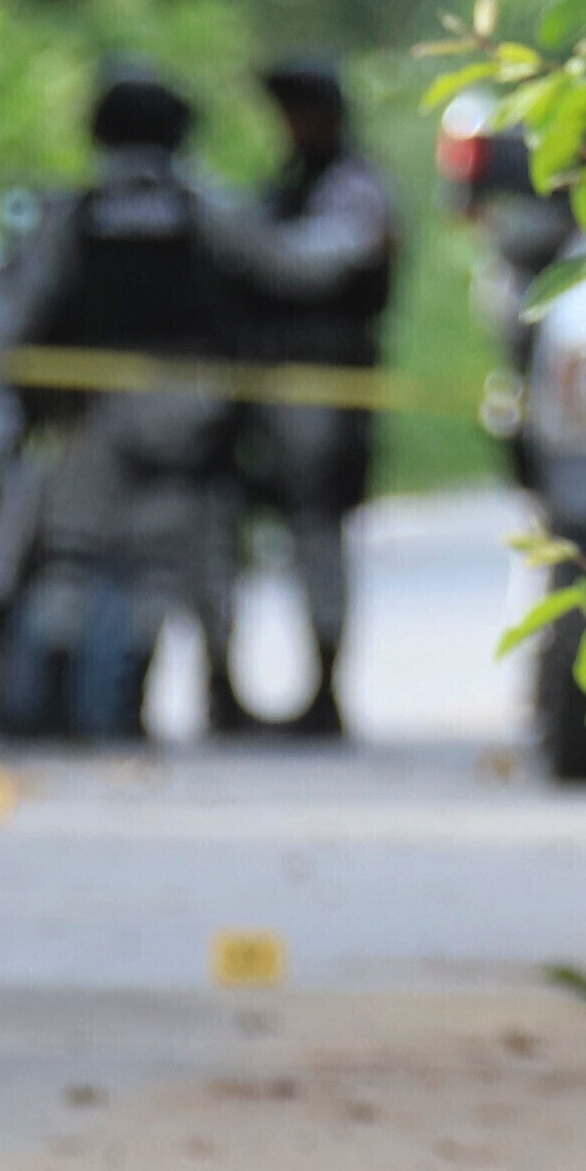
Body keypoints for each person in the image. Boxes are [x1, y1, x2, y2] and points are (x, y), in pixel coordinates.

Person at [0, 68, 235, 740]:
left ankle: (51, 706)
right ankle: (129, 706)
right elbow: (283, 266)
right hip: (185, 407)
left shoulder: (75, 209)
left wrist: (17, 391)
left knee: (72, 555)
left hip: (88, 409)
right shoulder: (200, 205)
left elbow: (18, 310)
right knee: (159, 562)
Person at [208, 51, 394, 739]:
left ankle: (324, 689)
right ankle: (225, 689)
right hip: (269, 384)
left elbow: (306, 267)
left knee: (317, 533)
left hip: (325, 384)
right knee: (232, 525)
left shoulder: (356, 191)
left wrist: (237, 236)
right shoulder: (287, 187)